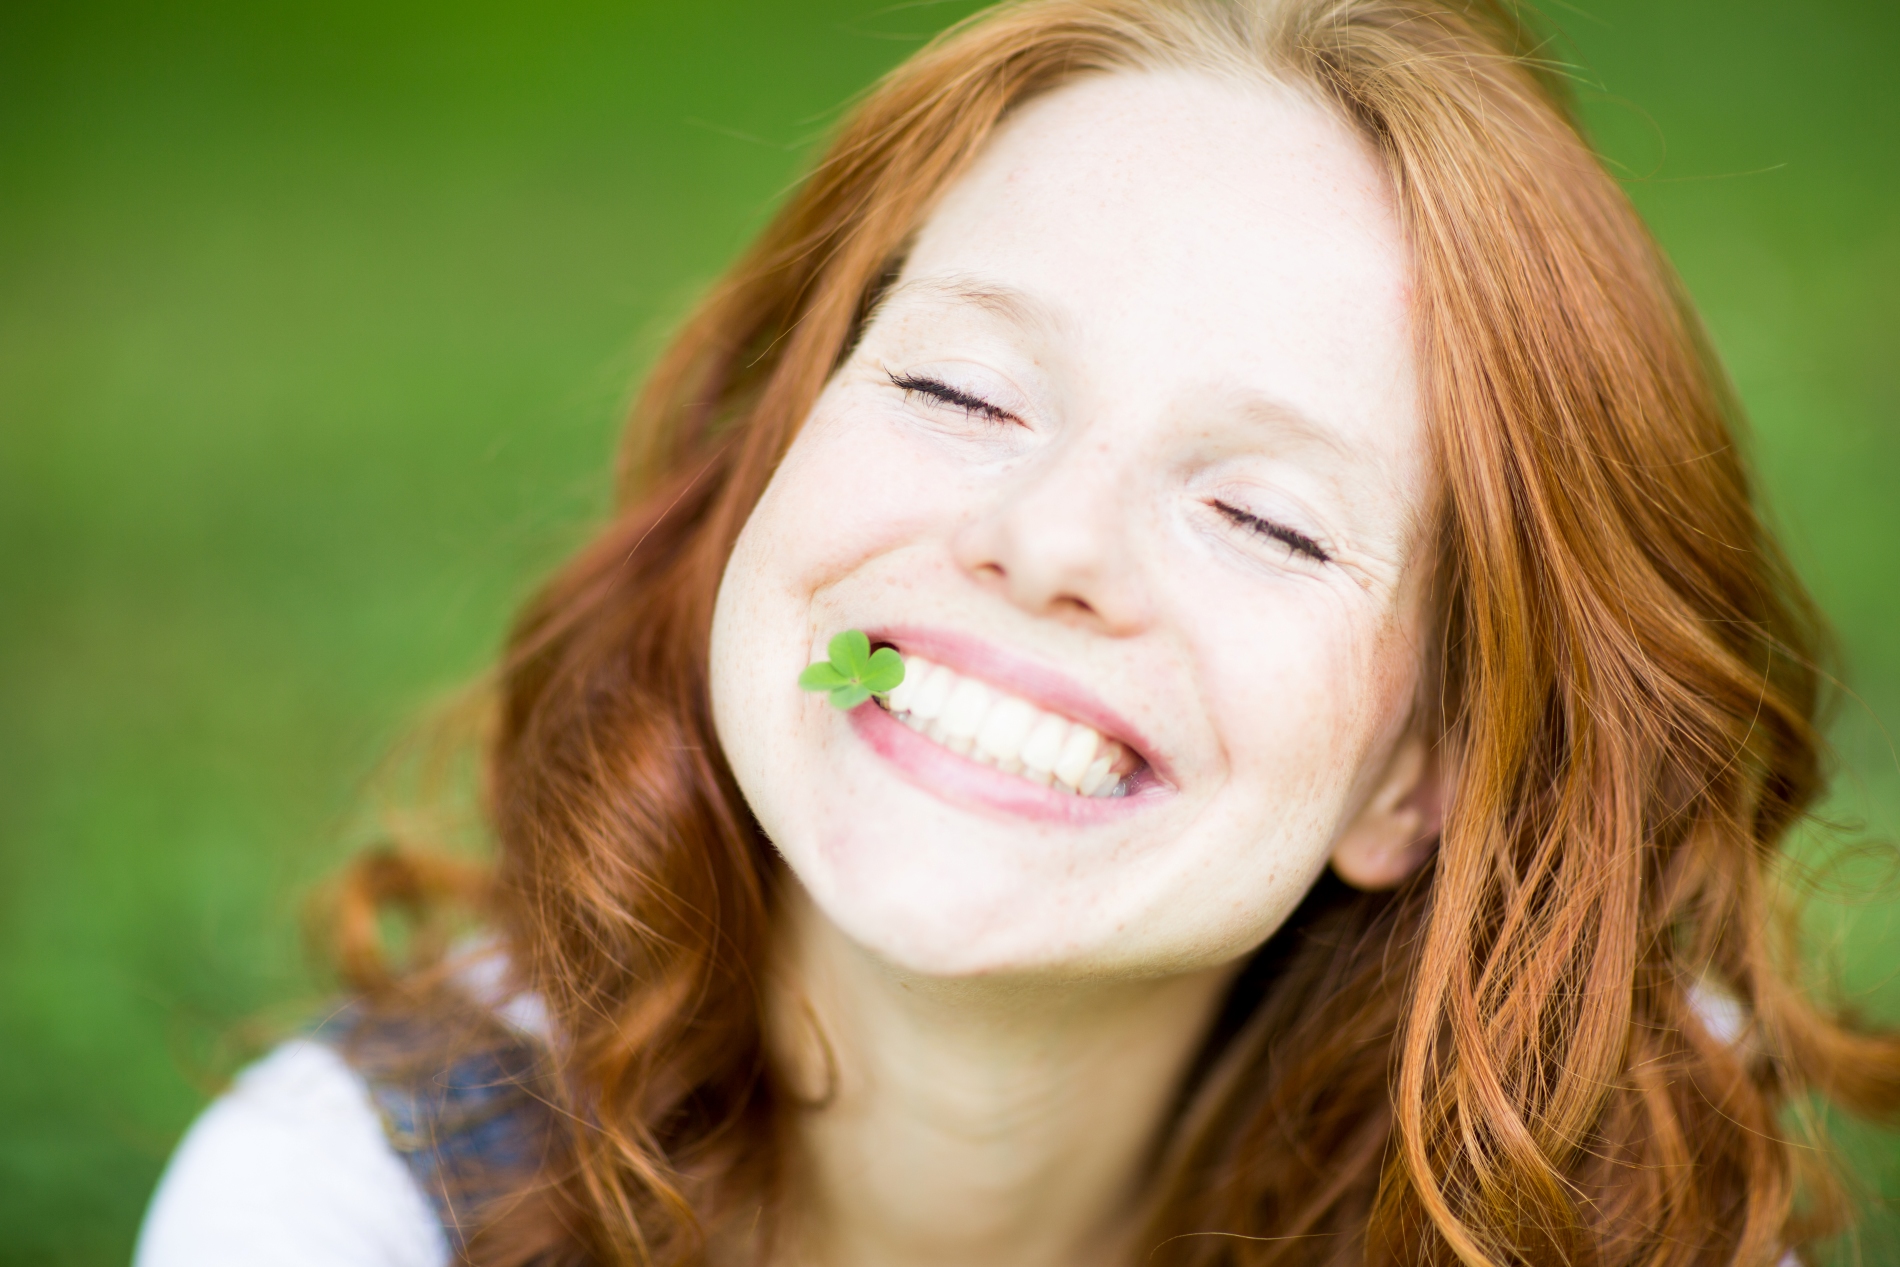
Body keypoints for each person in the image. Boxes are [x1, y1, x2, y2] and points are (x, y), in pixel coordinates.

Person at [135, 1, 1900, 1264]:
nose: (1051, 540)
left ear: (1419, 779)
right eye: (965, 391)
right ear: (773, 467)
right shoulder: (335, 1215)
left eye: (1267, 515)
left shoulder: (1597, 1201)